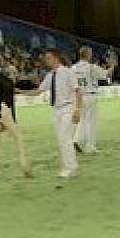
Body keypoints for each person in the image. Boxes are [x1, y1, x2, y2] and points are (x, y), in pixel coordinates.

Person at [38, 49, 81, 178]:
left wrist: (77, 110)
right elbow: (38, 90)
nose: (47, 61)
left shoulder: (68, 72)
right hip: (56, 110)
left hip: (68, 108)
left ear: (56, 58)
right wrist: (18, 91)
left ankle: (71, 168)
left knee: (65, 138)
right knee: (61, 139)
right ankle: (69, 166)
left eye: (49, 58)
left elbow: (78, 91)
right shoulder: (50, 75)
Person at [72, 46, 114, 154]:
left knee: (82, 120)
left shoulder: (73, 68)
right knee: (91, 122)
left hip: (78, 96)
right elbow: (106, 74)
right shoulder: (91, 67)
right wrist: (112, 65)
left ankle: (76, 139)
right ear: (88, 55)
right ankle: (90, 146)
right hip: (90, 96)